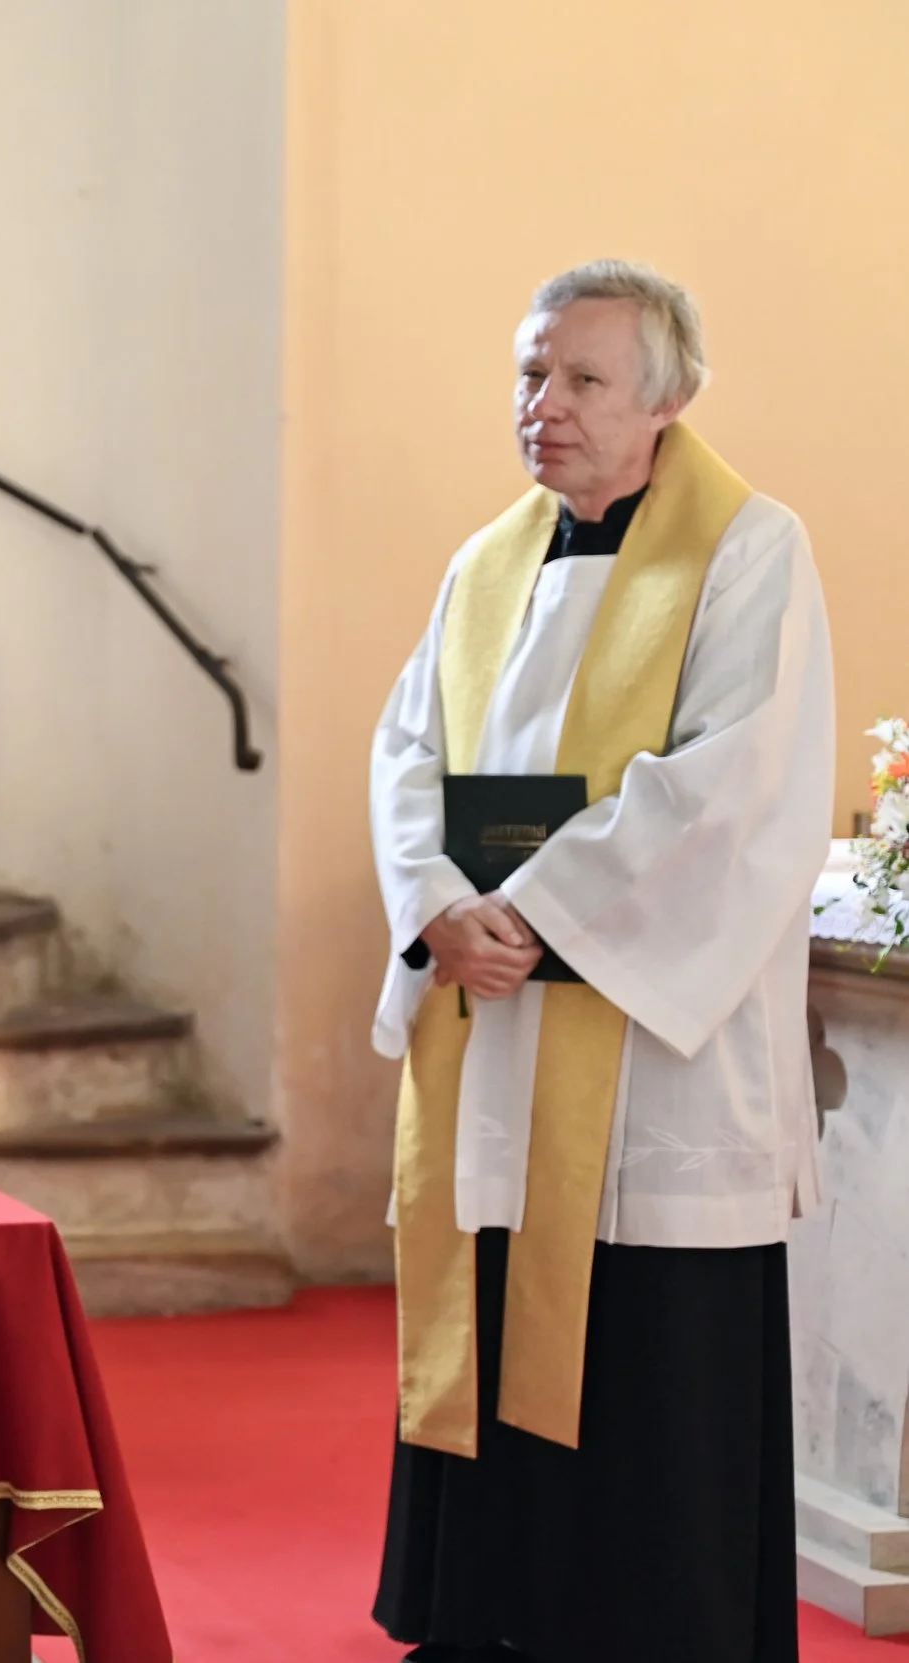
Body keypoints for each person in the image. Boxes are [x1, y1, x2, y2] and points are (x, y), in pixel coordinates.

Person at [367, 261, 835, 1663]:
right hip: (496, 1024)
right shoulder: (485, 560)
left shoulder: (750, 549)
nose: (544, 406)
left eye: (581, 379)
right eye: (530, 373)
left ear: (669, 398)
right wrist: (435, 904)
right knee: (494, 1322)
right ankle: (487, 1625)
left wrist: (536, 913)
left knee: (651, 1379)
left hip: (649, 1069)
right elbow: (406, 752)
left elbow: (736, 780)